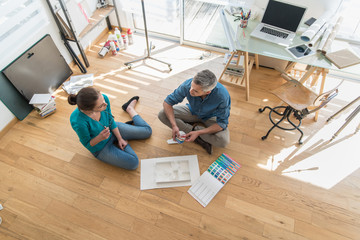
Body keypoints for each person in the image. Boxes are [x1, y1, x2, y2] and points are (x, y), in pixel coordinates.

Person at [68, 87, 152, 170]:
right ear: (90, 110)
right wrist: (100, 137)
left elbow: (110, 120)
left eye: (103, 100)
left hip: (112, 129)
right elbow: (87, 144)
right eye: (101, 106)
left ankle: (129, 108)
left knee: (147, 131)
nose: (105, 104)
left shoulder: (103, 99)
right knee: (133, 163)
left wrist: (120, 139)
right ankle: (124, 141)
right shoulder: (78, 121)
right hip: (100, 147)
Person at [158, 69, 231, 154]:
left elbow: (222, 124)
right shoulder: (188, 84)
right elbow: (167, 102)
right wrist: (174, 125)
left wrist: (198, 132)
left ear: (207, 92)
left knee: (223, 141)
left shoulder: (222, 96)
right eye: (192, 86)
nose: (190, 91)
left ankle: (194, 132)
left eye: (195, 91)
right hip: (192, 111)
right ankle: (196, 135)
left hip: (212, 116)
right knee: (162, 114)